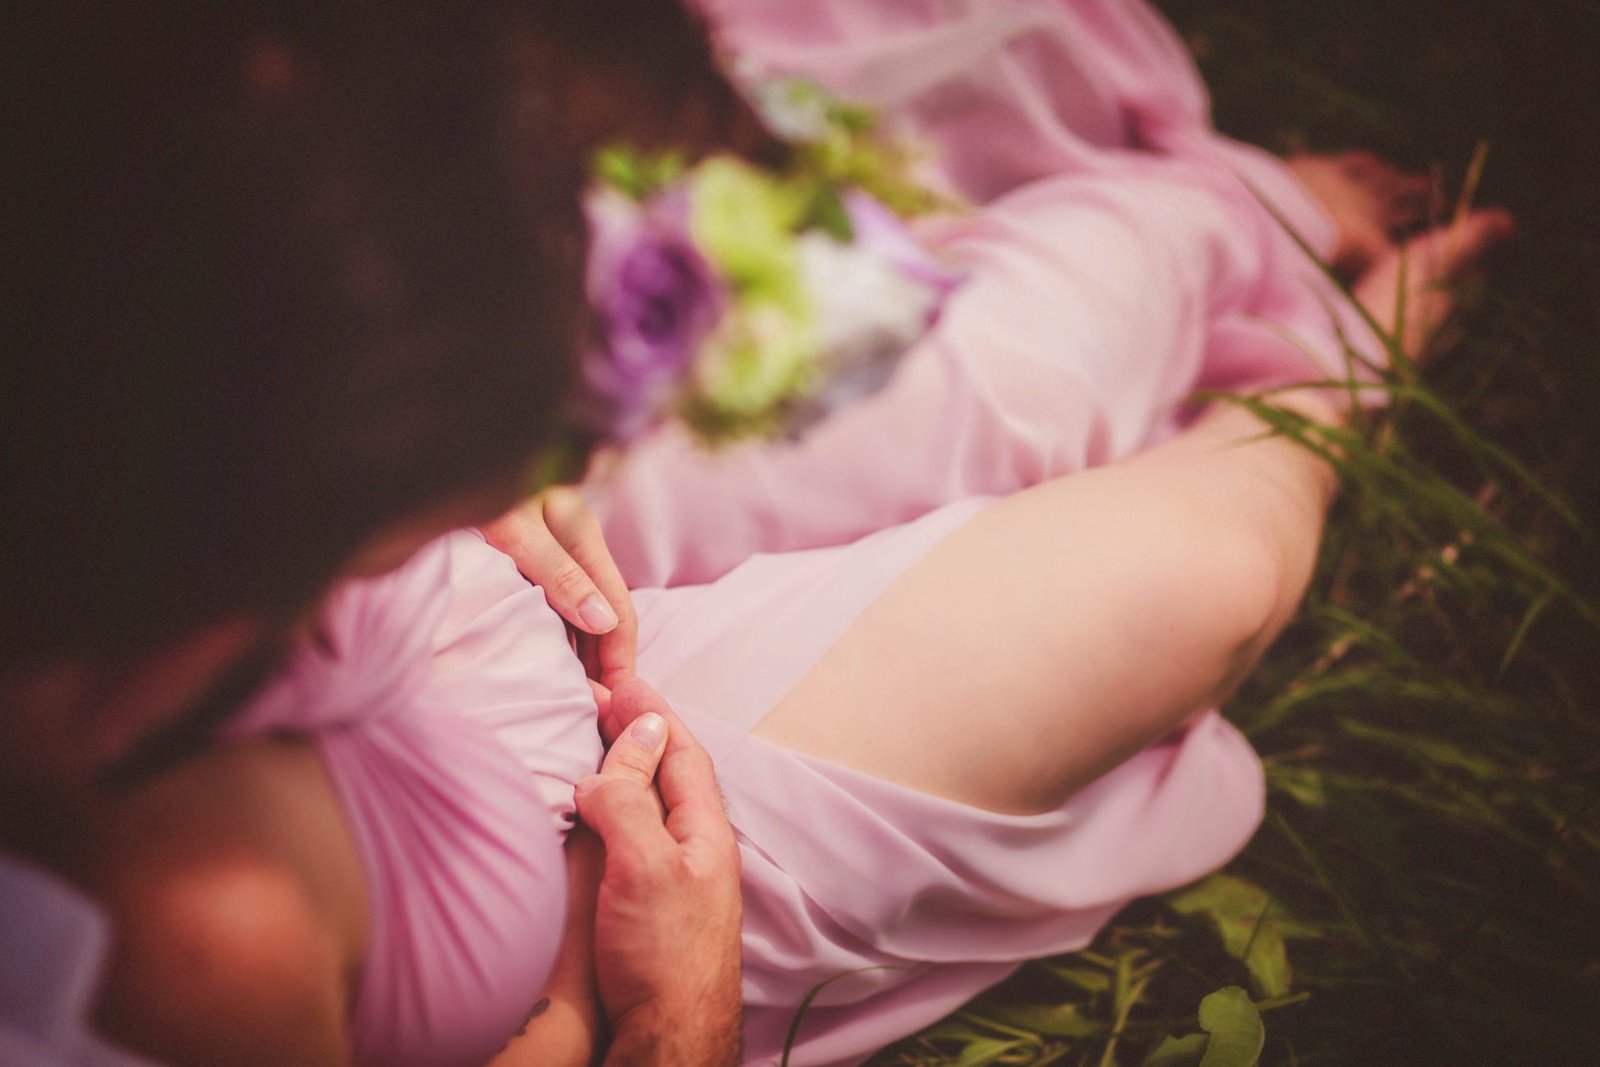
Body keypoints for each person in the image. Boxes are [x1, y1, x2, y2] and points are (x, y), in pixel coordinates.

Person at [1, 5, 1509, 1067]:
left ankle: (1228, 223)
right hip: (604, 854)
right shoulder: (196, 948)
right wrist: (658, 1019)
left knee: (1039, 342)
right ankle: (1332, 371)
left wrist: (468, 486)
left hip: (492, 605)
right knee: (1203, 577)